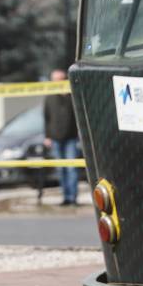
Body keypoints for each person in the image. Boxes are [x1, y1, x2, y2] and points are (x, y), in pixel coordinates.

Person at [43, 68, 80, 206]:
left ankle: (73, 198)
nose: (57, 82)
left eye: (60, 79)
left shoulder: (72, 95)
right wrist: (47, 136)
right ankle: (65, 197)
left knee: (71, 168)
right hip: (55, 138)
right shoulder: (49, 97)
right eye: (55, 80)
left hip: (71, 138)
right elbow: (46, 118)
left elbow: (78, 116)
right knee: (61, 169)